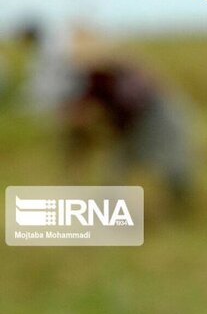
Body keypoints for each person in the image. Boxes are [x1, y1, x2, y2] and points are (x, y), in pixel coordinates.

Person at [63, 58, 195, 209]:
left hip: (155, 122)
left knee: (171, 164)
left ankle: (180, 208)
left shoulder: (115, 81)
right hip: (133, 127)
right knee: (116, 169)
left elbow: (129, 110)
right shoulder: (93, 83)